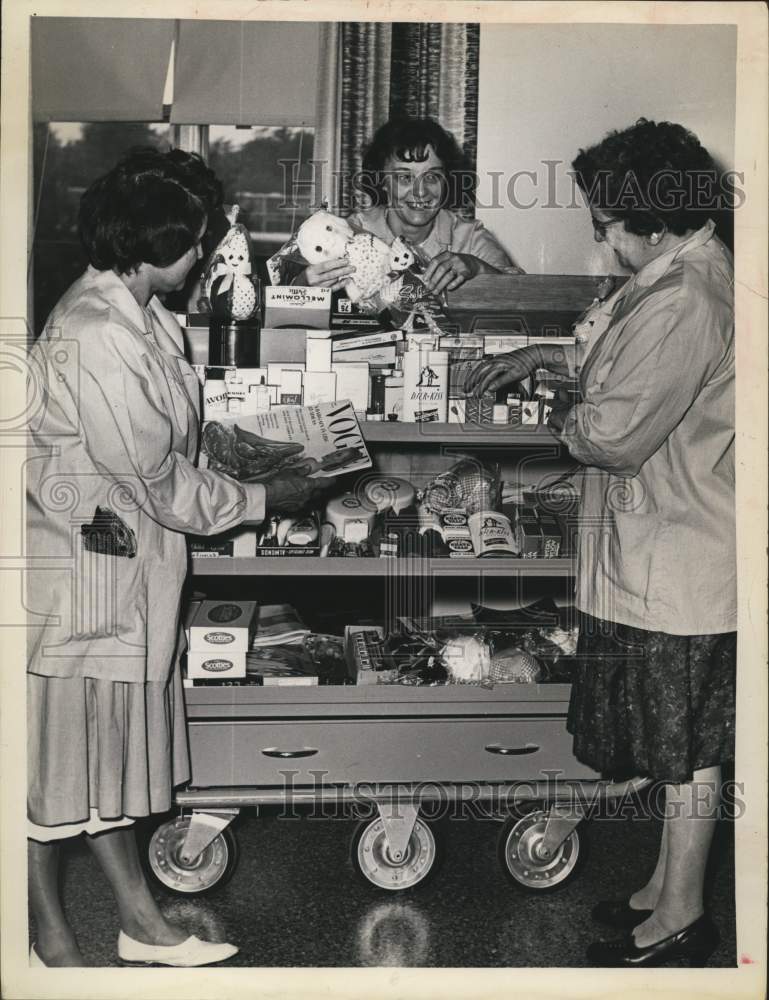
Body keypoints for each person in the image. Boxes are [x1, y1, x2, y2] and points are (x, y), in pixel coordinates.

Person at [26, 149, 327, 968]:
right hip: (87, 575)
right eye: (194, 243)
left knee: (102, 763)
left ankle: (135, 922)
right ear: (151, 245)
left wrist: (244, 457)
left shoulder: (143, 312)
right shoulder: (94, 331)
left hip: (125, 569)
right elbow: (154, 479)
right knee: (57, 768)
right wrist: (268, 499)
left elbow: (169, 440)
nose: (203, 257)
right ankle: (50, 937)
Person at [466, 119, 735, 968]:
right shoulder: (671, 273)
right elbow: (614, 359)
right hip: (657, 546)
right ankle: (663, 889)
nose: (602, 238)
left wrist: (550, 415)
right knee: (668, 743)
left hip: (682, 560)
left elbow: (613, 433)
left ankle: (683, 919)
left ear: (653, 223)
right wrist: (544, 355)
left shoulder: (690, 295)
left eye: (608, 223)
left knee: (684, 751)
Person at [296, 116, 523, 295]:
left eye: (432, 177)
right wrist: (305, 285)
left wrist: (478, 268)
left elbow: (527, 297)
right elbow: (286, 306)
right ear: (381, 181)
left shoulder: (469, 238)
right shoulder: (348, 234)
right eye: (405, 178)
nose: (421, 191)